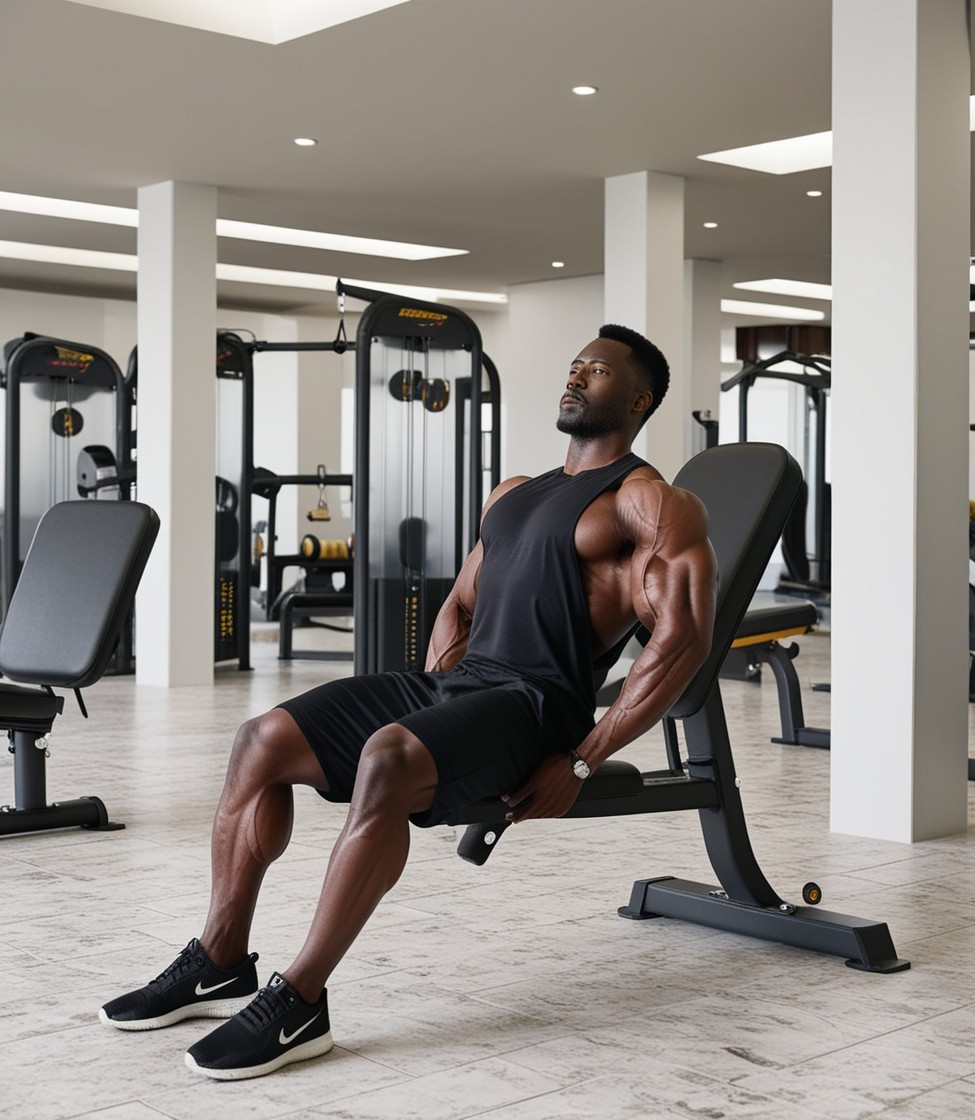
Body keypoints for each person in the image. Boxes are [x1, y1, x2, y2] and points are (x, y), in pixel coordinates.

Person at [100, 323, 717, 1081]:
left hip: (536, 707)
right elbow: (460, 603)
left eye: (598, 370)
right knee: (261, 739)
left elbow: (682, 640)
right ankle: (219, 960)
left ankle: (298, 1001)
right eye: (575, 364)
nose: (578, 375)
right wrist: (439, 697)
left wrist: (583, 760)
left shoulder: (651, 502)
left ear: (638, 397)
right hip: (459, 684)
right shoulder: (516, 493)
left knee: (385, 759)